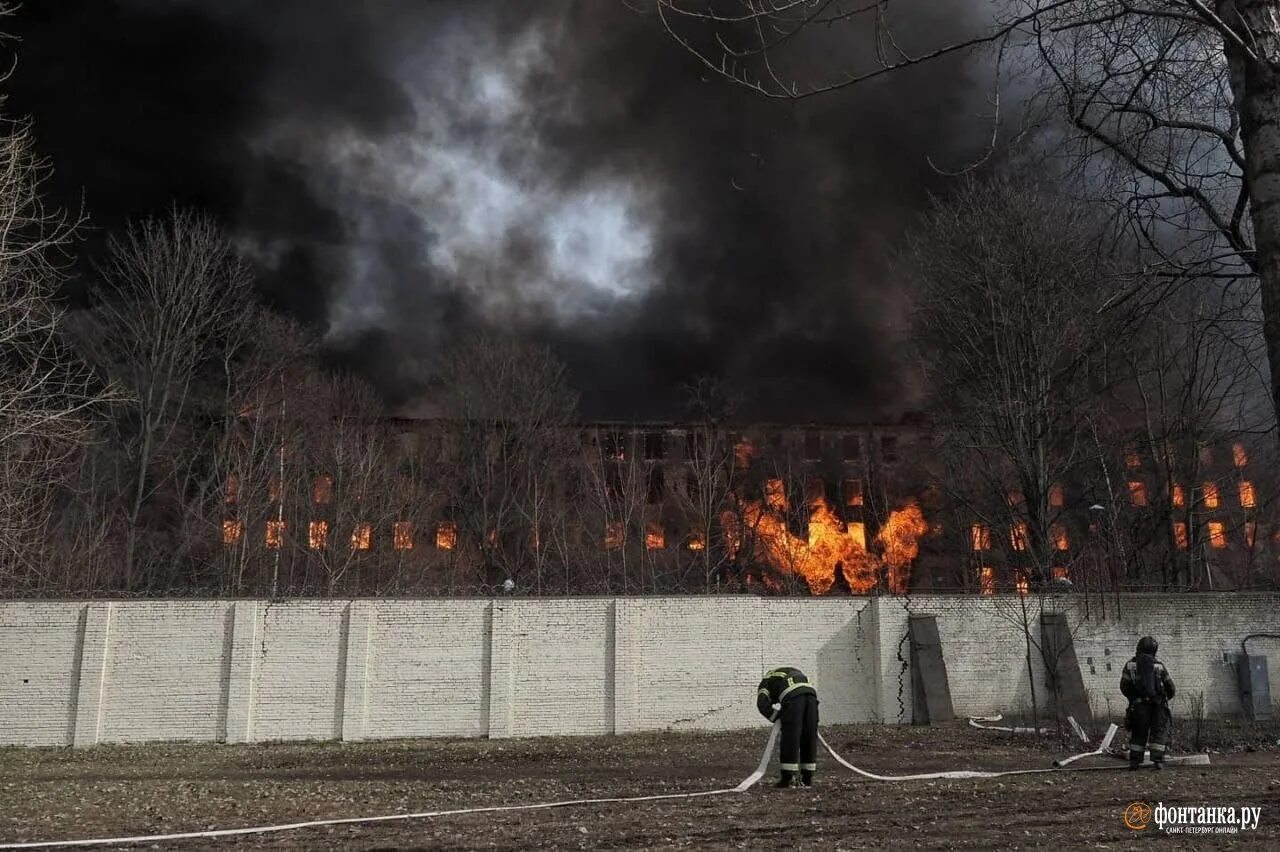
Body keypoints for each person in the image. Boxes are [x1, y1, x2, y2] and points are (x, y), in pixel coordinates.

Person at [756, 666, 819, 788]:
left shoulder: (765, 682)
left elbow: (762, 704)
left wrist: (778, 716)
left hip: (793, 695)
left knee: (791, 736)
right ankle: (807, 778)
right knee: (809, 735)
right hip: (811, 693)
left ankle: (788, 778)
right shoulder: (787, 672)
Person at [1120, 635, 1176, 770]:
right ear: (1154, 650)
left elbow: (1124, 686)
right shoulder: (1159, 665)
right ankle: (1158, 761)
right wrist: (1163, 700)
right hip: (1158, 706)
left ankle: (1134, 762)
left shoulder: (1130, 665)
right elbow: (1171, 687)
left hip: (1139, 706)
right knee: (1158, 732)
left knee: (1138, 732)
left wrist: (1133, 699)